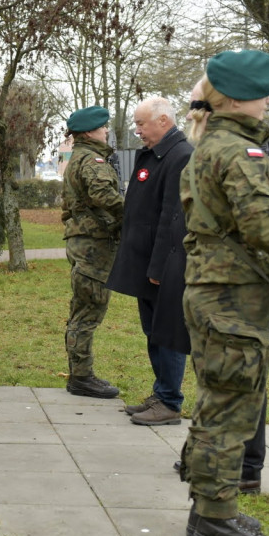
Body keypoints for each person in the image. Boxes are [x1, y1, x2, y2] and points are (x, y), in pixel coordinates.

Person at [179, 50, 269, 536]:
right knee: (231, 409)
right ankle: (215, 520)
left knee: (219, 401)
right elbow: (262, 225)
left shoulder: (212, 144)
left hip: (215, 292)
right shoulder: (239, 152)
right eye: (264, 92)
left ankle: (210, 509)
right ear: (240, 98)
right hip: (231, 298)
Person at [106, 97, 193, 425]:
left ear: (164, 121)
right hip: (147, 263)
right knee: (152, 331)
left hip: (166, 266)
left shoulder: (181, 157)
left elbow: (173, 218)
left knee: (168, 332)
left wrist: (159, 269)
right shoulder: (158, 154)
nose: (137, 130)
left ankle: (170, 402)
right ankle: (161, 392)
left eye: (142, 123)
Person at [61, 106, 124, 399]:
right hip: (93, 246)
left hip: (82, 242)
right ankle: (82, 377)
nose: (106, 131)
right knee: (87, 312)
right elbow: (103, 195)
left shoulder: (78, 157)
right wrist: (133, 212)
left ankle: (79, 374)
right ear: (89, 132)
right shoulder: (93, 159)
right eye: (102, 127)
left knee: (81, 310)